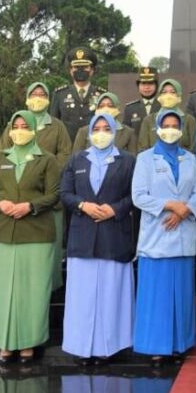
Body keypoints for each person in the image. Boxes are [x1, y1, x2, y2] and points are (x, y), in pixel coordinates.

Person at [0, 110, 61, 365]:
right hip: (2, 233)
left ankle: (29, 343)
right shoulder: (0, 157)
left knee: (34, 291)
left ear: (34, 128)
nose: (20, 129)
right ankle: (6, 343)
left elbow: (54, 194)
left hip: (36, 234)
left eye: (25, 125)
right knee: (4, 292)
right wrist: (0, 203)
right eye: (15, 125)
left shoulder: (46, 159)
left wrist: (31, 205)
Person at [61, 112, 137, 364]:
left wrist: (115, 209)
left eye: (107, 128)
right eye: (97, 128)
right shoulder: (76, 159)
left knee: (111, 294)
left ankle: (110, 348)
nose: (102, 133)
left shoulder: (128, 161)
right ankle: (82, 348)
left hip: (114, 235)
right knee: (81, 298)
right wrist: (83, 205)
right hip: (83, 236)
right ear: (90, 131)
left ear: (115, 131)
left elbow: (134, 196)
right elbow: (65, 193)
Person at [131, 109, 196, 366]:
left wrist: (186, 210)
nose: (171, 129)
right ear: (158, 128)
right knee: (157, 296)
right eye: (167, 125)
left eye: (175, 125)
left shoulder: (190, 158)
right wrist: (171, 205)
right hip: (157, 234)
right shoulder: (145, 159)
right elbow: (139, 196)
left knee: (182, 295)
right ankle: (156, 346)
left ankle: (180, 343)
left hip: (183, 235)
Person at [50, 47, 106, 140]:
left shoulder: (102, 95)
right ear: (71, 70)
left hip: (93, 147)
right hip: (67, 149)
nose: (80, 70)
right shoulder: (59, 94)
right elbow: (54, 125)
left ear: (92, 70)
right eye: (76, 67)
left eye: (84, 67)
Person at [136, 78, 196, 153]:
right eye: (164, 92)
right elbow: (143, 148)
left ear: (179, 95)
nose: (168, 95)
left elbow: (194, 148)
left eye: (172, 92)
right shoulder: (149, 120)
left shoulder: (189, 120)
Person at [72, 92, 138, 154]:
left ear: (117, 108)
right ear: (97, 109)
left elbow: (133, 159)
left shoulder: (128, 132)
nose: (105, 109)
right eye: (101, 106)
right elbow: (76, 158)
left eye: (110, 106)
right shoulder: (84, 131)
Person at [123, 66, 160, 135]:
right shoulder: (130, 108)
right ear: (138, 86)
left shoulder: (162, 107)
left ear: (156, 85)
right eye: (143, 83)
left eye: (150, 83)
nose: (146, 87)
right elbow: (126, 134)